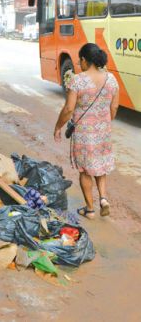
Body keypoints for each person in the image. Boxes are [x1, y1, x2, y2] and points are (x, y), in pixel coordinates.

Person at [54, 43, 119, 219]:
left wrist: (58, 127)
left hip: (84, 134)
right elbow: (114, 108)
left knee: (85, 171)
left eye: (79, 60)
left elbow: (68, 109)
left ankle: (90, 209)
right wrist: (103, 122)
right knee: (100, 166)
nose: (78, 63)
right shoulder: (111, 79)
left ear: (84, 60)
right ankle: (103, 199)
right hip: (103, 132)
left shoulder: (78, 80)